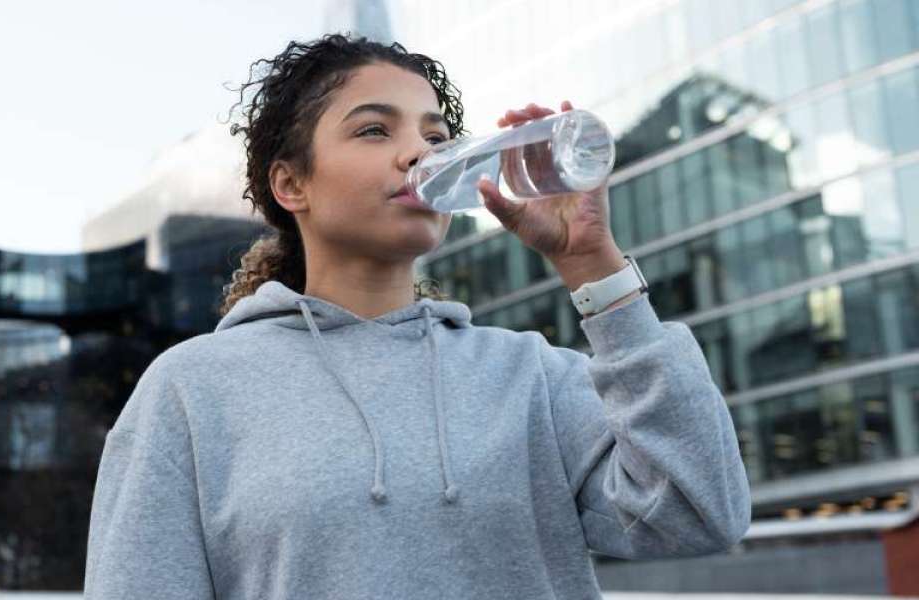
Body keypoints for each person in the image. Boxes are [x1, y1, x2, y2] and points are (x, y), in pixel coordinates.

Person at [83, 33, 751, 599]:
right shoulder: (191, 390)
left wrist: (593, 264)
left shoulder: (530, 377)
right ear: (291, 184)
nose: (419, 154)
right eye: (375, 130)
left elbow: (700, 513)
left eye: (436, 135)